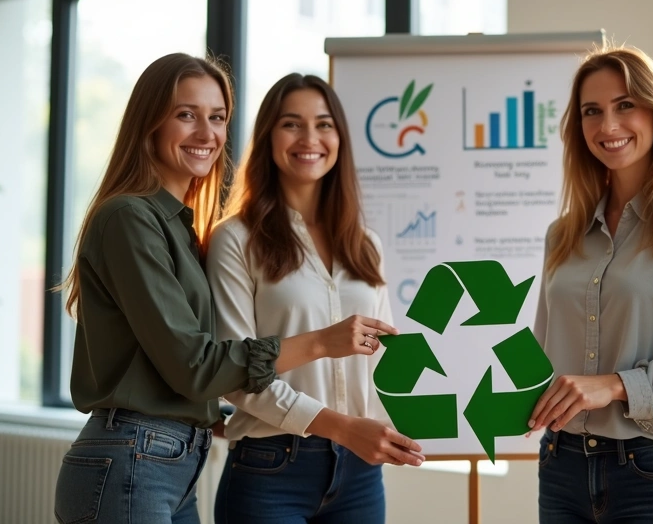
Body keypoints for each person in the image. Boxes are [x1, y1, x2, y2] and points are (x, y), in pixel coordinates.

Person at [53, 54, 396, 524]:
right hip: (145, 451)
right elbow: (198, 363)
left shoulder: (180, 226)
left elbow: (190, 361)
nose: (206, 133)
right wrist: (320, 344)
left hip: (173, 458)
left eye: (217, 118)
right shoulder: (135, 220)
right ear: (148, 121)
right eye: (185, 114)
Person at [527, 46, 653, 524]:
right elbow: (542, 354)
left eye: (625, 105)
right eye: (591, 112)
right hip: (561, 464)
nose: (608, 126)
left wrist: (617, 386)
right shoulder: (563, 233)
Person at [206, 73, 424, 524]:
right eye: (292, 124)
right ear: (268, 135)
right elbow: (233, 369)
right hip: (270, 471)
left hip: (361, 475)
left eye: (324, 124)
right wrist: (342, 426)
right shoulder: (236, 239)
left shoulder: (365, 244)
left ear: (340, 137)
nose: (310, 138)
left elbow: (385, 362)